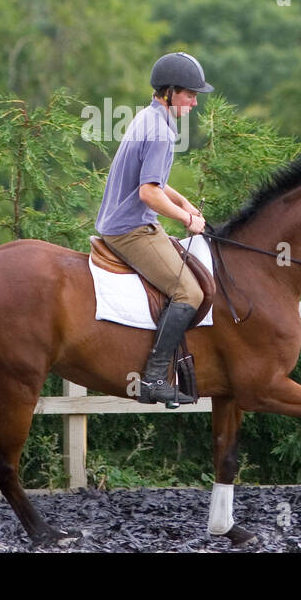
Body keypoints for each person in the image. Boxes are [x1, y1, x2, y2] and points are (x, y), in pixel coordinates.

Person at [96, 52, 214, 404]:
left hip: (124, 221)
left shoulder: (147, 117)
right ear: (169, 92)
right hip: (130, 228)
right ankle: (152, 379)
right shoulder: (161, 130)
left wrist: (184, 203)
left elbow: (154, 182)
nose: (194, 102)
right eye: (189, 95)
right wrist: (186, 219)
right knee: (189, 293)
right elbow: (148, 193)